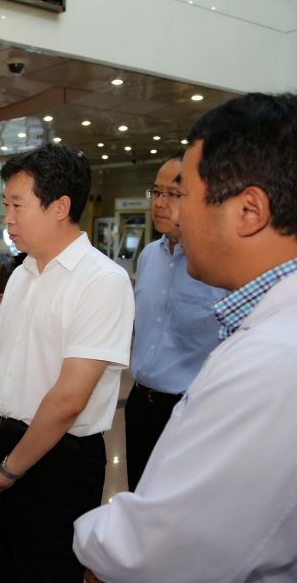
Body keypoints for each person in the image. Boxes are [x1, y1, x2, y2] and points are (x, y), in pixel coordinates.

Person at [74, 93, 297, 582]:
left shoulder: (271, 356)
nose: (172, 211)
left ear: (249, 210)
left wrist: (93, 547)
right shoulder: (266, 327)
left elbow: (168, 545)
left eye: (186, 196)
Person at [0, 144, 134, 583]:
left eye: (17, 205)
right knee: (6, 567)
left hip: (59, 459)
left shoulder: (103, 281)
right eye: (5, 205)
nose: (8, 218)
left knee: (49, 570)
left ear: (60, 207)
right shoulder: (23, 273)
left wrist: (10, 469)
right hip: (1, 440)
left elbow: (69, 398)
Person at [125, 156, 226, 490]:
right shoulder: (148, 256)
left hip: (191, 412)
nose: (159, 203)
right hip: (140, 405)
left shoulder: (217, 264)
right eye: (156, 192)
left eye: (173, 194)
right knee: (139, 496)